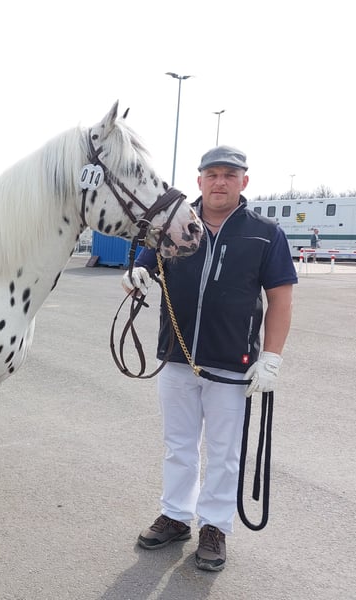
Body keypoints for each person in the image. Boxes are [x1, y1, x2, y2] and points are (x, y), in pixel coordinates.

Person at [122, 145, 297, 572]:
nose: (220, 182)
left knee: (223, 452)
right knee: (178, 445)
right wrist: (134, 277)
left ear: (244, 181)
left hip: (232, 364)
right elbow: (141, 270)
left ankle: (215, 526)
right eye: (212, 174)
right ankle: (176, 516)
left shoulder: (265, 233)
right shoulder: (174, 225)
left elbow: (280, 299)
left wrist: (271, 358)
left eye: (229, 175)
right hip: (176, 358)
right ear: (199, 180)